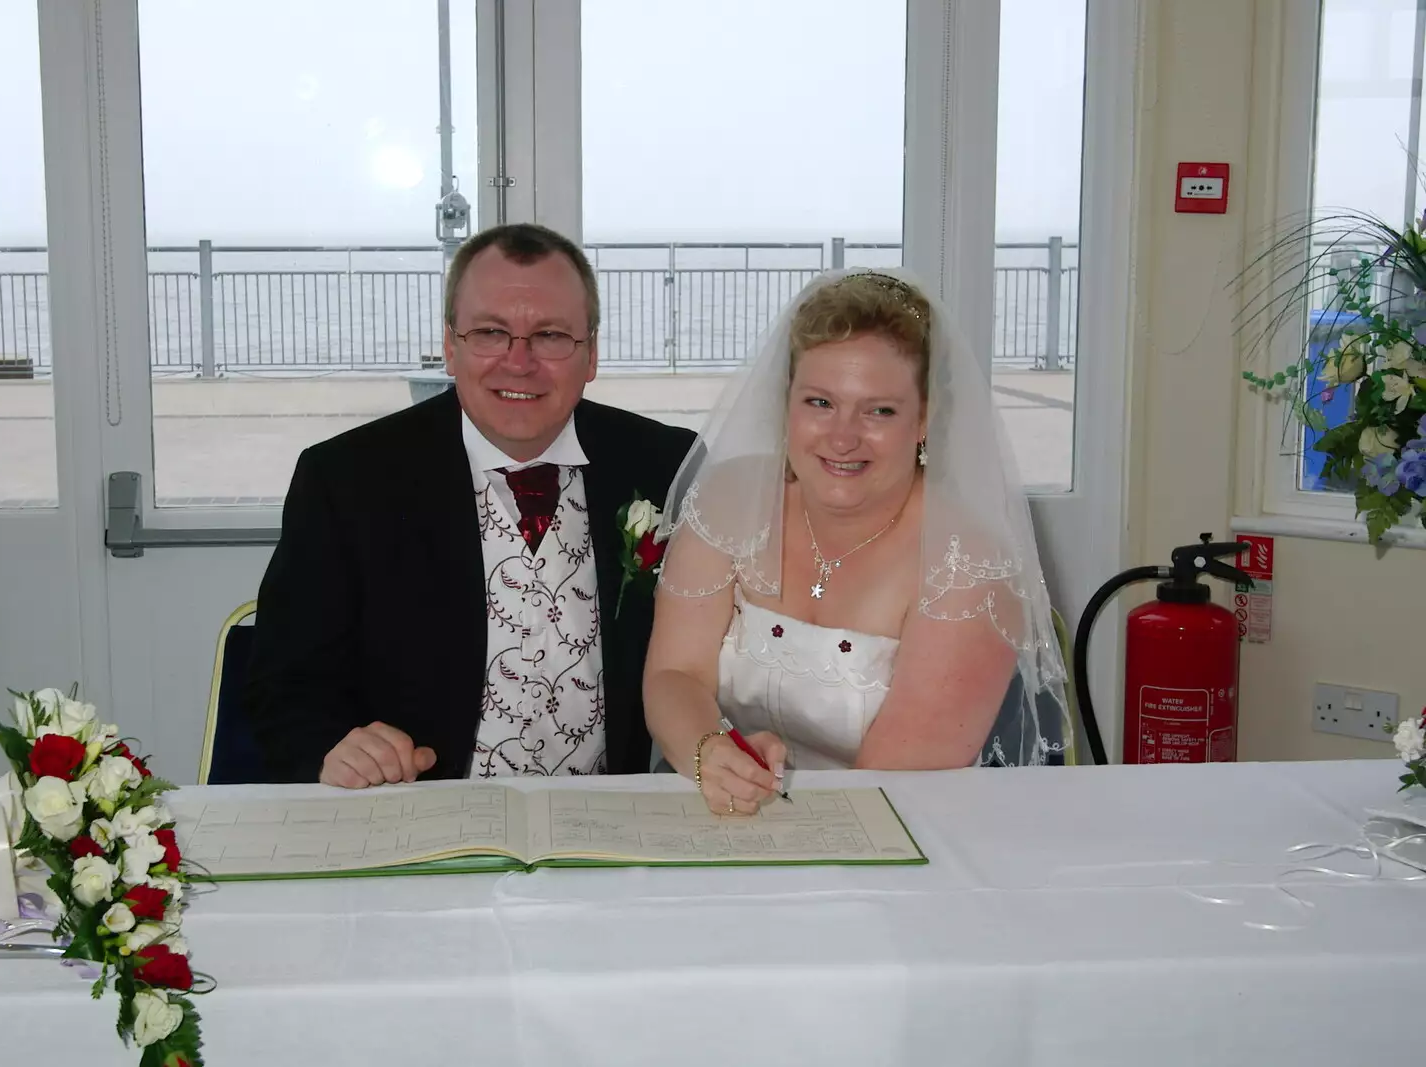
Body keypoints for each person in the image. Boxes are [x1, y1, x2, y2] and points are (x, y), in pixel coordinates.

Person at [245, 222, 696, 787]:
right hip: (421, 820)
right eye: (490, 332)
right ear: (449, 347)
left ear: (592, 354)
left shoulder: (668, 466)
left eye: (551, 336)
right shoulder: (346, 478)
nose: (519, 361)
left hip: (613, 827)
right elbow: (283, 685)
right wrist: (332, 749)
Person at [643, 268, 1073, 815]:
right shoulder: (731, 499)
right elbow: (675, 675)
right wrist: (710, 752)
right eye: (820, 402)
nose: (843, 437)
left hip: (900, 834)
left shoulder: (965, 563)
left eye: (880, 411)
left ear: (924, 420)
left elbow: (888, 798)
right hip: (731, 817)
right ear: (786, 403)